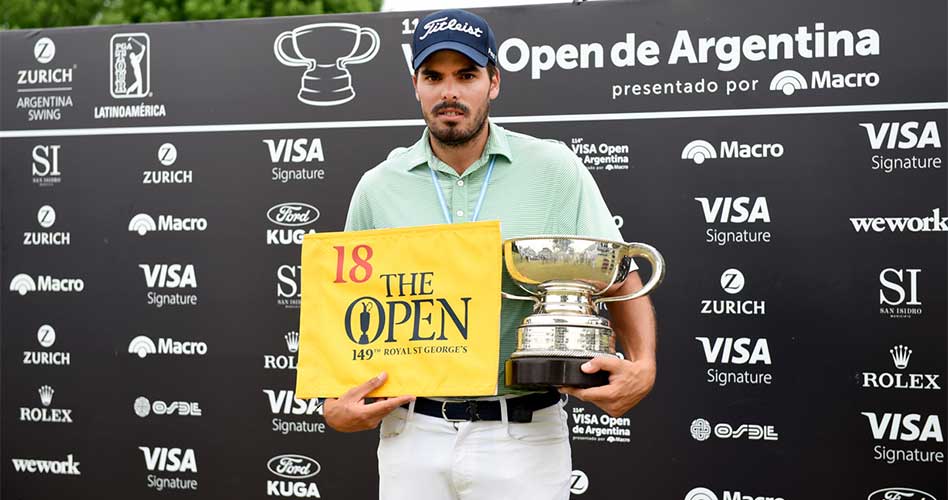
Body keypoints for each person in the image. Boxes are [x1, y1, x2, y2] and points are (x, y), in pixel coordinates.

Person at [324, 9, 657, 500]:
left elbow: (618, 274)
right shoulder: (378, 187)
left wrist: (643, 365)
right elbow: (348, 303)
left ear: (493, 82)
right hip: (412, 433)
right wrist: (334, 398)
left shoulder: (554, 169)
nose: (449, 92)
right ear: (415, 85)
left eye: (466, 75)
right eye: (433, 77)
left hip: (521, 434)